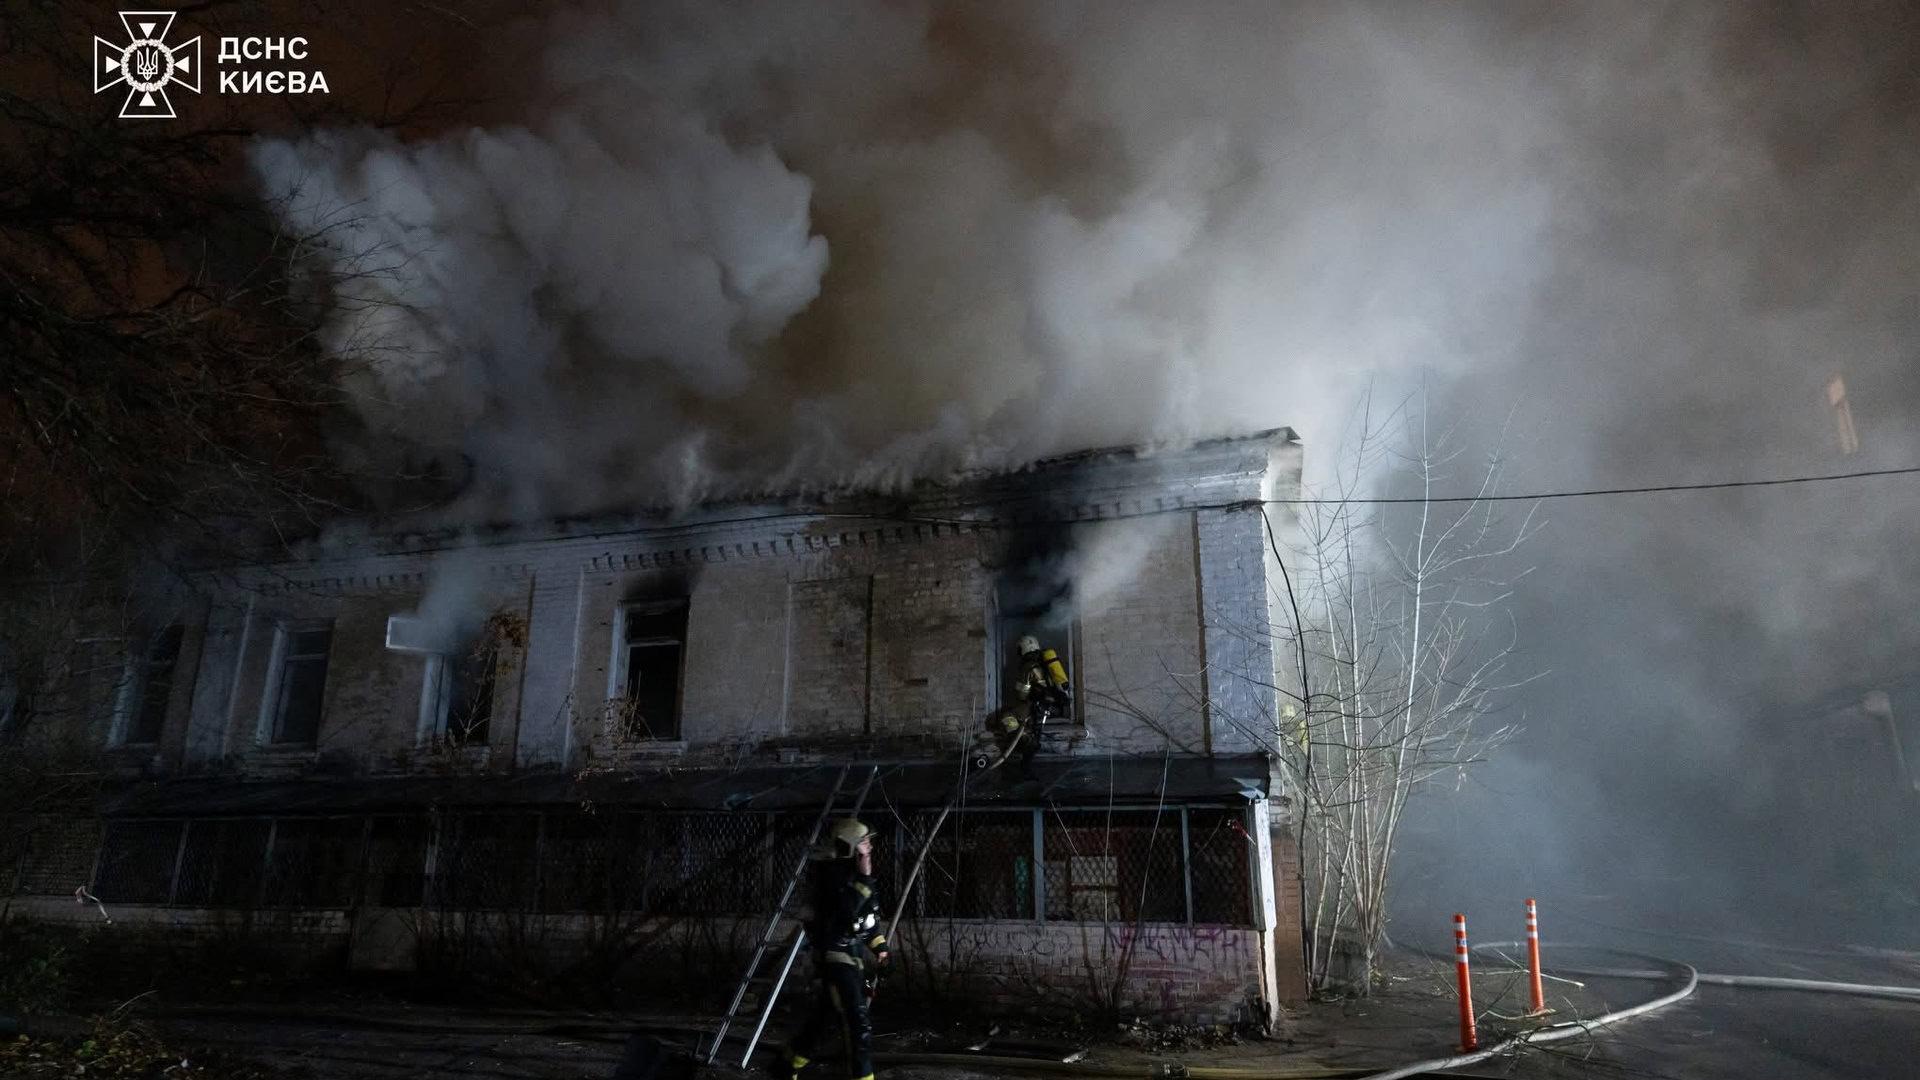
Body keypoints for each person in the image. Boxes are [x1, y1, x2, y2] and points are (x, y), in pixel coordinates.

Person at [785, 818, 888, 1080]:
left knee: (824, 1020)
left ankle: (787, 1064)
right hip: (835, 959)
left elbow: (866, 919)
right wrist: (865, 876)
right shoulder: (830, 877)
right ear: (849, 846)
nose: (869, 847)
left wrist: (881, 949)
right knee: (858, 1024)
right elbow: (847, 912)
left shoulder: (854, 875)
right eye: (864, 842)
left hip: (850, 958)